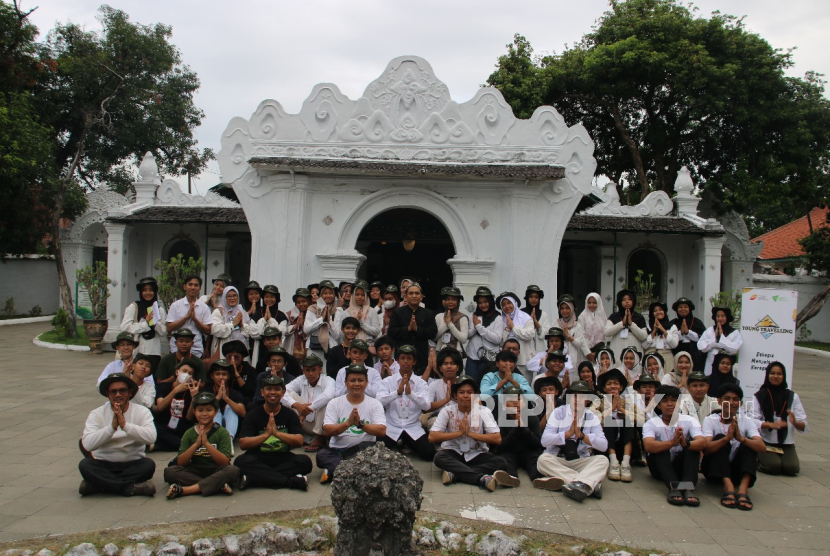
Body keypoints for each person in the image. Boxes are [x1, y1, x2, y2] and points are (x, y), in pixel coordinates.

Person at [79, 373, 157, 496]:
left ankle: (99, 486)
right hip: (104, 464)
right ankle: (130, 488)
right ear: (107, 394)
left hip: (133, 463)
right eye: (113, 392)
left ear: (130, 392)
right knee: (85, 465)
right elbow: (87, 445)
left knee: (148, 465)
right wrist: (111, 428)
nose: (118, 395)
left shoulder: (142, 411)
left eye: (122, 391)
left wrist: (125, 426)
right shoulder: (96, 414)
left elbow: (151, 438)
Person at [429, 375, 506, 492]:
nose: (465, 396)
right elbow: (432, 437)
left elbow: (497, 439)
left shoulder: (484, 411)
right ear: (455, 395)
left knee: (501, 462)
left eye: (469, 392)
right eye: (461, 392)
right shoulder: (447, 411)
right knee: (439, 457)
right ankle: (481, 478)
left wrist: (470, 433)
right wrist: (459, 433)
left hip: (477, 452)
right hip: (454, 452)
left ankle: (455, 473)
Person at [235, 375, 312, 491]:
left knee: (305, 462)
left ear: (283, 393)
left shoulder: (290, 414)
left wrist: (277, 433)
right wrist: (265, 435)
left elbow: (299, 441)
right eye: (269, 389)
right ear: (262, 392)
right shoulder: (253, 414)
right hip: (258, 457)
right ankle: (290, 482)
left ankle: (254, 479)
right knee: (239, 462)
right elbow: (243, 443)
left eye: (277, 389)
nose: (273, 393)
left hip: (283, 458)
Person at [536, 380, 609, 501]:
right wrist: (567, 434)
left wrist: (581, 436)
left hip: (581, 460)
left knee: (603, 460)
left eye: (582, 396)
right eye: (574, 396)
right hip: (559, 459)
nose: (577, 399)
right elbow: (544, 441)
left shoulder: (592, 417)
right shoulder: (558, 413)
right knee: (542, 460)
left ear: (588, 400)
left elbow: (603, 446)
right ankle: (588, 483)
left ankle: (569, 481)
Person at [317, 364, 387, 483]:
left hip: (364, 450)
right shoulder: (334, 403)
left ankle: (336, 470)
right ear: (345, 383)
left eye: (360, 380)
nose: (356, 384)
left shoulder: (375, 404)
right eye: (352, 380)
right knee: (321, 455)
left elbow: (382, 431)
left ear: (366, 382)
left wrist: (360, 424)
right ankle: (354, 471)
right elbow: (327, 431)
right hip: (338, 450)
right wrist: (349, 423)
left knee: (378, 456)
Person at [702, 383, 766, 511]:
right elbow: (706, 449)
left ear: (740, 404)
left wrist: (741, 438)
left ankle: (743, 488)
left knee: (749, 444)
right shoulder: (710, 420)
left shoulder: (746, 420)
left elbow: (762, 447)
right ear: (719, 401)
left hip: (736, 471)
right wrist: (727, 438)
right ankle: (728, 486)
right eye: (727, 398)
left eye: (735, 399)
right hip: (714, 471)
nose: (731, 402)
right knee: (720, 438)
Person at [164, 392, 240, 499]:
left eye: (209, 410)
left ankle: (187, 490)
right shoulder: (189, 433)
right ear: (194, 412)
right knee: (170, 472)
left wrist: (206, 444)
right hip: (195, 469)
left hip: (216, 469)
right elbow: (181, 462)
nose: (204, 414)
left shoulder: (222, 432)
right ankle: (216, 485)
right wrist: (196, 445)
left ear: (215, 412)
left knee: (233, 470)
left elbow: (225, 462)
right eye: (200, 410)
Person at [642, 385, 706, 506]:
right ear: (658, 405)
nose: (670, 404)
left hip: (681, 468)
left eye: (674, 400)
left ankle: (688, 488)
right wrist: (672, 443)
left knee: (692, 448)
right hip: (659, 469)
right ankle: (674, 488)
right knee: (660, 448)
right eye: (665, 401)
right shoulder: (651, 423)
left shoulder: (689, 420)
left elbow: (702, 442)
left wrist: (685, 444)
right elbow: (648, 446)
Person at [748, 361, 808, 476]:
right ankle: (756, 459)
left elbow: (803, 424)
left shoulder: (792, 397)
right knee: (773, 466)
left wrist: (795, 422)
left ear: (784, 376)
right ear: (767, 375)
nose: (775, 376)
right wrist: (768, 425)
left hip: (786, 442)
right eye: (772, 373)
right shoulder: (760, 396)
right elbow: (751, 421)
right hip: (765, 441)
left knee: (792, 469)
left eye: (779, 374)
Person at [377, 345, 435, 460]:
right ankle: (401, 442)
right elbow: (378, 401)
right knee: (378, 454)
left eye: (409, 358)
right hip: (391, 426)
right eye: (402, 358)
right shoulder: (388, 381)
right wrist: (397, 393)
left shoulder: (421, 383)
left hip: (412, 426)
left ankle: (406, 442)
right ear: (397, 360)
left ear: (414, 362)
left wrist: (410, 394)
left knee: (429, 454)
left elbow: (427, 406)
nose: (406, 361)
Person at [492, 384, 544, 487]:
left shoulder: (532, 418)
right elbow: (501, 446)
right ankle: (510, 478)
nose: (516, 403)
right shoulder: (501, 419)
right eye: (511, 400)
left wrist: (523, 429)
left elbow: (538, 443)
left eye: (519, 399)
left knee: (535, 459)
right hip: (510, 451)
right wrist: (516, 429)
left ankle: (539, 479)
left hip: (529, 451)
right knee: (504, 459)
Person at [282, 353, 336, 452]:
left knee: (327, 401)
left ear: (320, 370)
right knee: (291, 395)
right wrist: (297, 405)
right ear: (303, 371)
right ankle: (294, 435)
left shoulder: (328, 380)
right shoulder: (300, 379)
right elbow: (282, 392)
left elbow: (328, 395)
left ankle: (319, 438)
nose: (311, 373)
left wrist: (305, 412)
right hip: (301, 423)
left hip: (319, 424)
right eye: (308, 370)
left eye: (314, 370)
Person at [594, 369, 636, 483]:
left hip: (623, 444)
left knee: (627, 420)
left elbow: (641, 418)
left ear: (621, 387)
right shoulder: (598, 402)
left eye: (616, 383)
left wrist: (621, 409)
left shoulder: (627, 401)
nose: (613, 386)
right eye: (609, 384)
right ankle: (613, 463)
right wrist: (612, 408)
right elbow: (594, 419)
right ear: (604, 388)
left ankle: (626, 464)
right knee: (609, 419)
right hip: (605, 447)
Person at [154, 360, 201, 451]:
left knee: (192, 435)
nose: (186, 374)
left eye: (190, 373)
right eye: (184, 371)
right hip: (164, 426)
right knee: (155, 429)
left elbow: (189, 417)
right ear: (177, 372)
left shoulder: (192, 390)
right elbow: (160, 407)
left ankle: (161, 445)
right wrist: (175, 391)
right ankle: (182, 446)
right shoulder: (163, 386)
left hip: (182, 427)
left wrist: (194, 397)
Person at [388, 283, 436, 374]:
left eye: (417, 293)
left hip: (421, 357)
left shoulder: (428, 313)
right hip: (402, 357)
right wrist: (408, 329)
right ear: (405, 296)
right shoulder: (397, 312)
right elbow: (391, 332)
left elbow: (433, 332)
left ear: (421, 297)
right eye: (411, 293)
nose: (414, 296)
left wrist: (417, 329)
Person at [120, 277, 167, 370]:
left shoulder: (159, 309)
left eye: (151, 290)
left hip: (154, 351)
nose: (148, 293)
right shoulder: (134, 307)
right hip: (137, 351)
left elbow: (164, 332)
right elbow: (124, 328)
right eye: (145, 290)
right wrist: (146, 324)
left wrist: (154, 323)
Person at [166, 275, 212, 357]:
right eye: (190, 284)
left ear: (200, 288)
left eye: (196, 285)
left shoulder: (204, 307)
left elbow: (208, 330)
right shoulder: (176, 305)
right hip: (176, 349)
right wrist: (186, 317)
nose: (193, 287)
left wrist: (195, 319)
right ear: (184, 286)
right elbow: (169, 327)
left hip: (196, 349)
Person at [464, 287, 504, 382]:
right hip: (472, 358)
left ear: (490, 301)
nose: (483, 305)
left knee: (485, 387)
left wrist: (479, 328)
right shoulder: (473, 315)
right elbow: (467, 336)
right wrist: (475, 328)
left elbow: (497, 339)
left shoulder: (498, 318)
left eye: (485, 302)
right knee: (470, 384)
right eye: (480, 302)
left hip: (488, 360)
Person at [206, 359, 247, 449]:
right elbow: (203, 412)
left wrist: (226, 398)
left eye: (224, 374)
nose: (221, 377)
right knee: (214, 409)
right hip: (212, 427)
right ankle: (217, 440)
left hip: (230, 427)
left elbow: (243, 412)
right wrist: (217, 398)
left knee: (230, 407)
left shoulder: (234, 393)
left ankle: (228, 441)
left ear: (228, 376)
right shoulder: (206, 392)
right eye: (217, 374)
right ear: (212, 376)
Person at [496, 292, 535, 378]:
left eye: (509, 303)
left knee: (523, 387)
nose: (507, 306)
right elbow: (501, 342)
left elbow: (530, 334)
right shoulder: (501, 320)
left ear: (514, 303)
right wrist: (507, 329)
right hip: (507, 362)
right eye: (504, 304)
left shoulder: (526, 318)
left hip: (523, 361)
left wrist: (513, 327)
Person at [210, 286, 258, 356]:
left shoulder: (242, 311)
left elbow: (250, 332)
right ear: (224, 298)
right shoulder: (219, 311)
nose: (232, 298)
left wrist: (242, 326)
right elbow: (214, 329)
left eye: (234, 295)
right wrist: (232, 325)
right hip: (224, 350)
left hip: (241, 350)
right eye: (229, 296)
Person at [334, 280, 381, 350]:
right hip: (350, 348)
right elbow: (341, 334)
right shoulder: (346, 313)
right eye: (357, 294)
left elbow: (376, 331)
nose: (360, 297)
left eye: (362, 295)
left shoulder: (372, 311)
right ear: (353, 296)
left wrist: (361, 323)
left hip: (368, 348)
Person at [698, 306, 743, 376]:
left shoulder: (734, 332)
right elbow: (701, 346)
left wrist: (721, 337)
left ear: (727, 317)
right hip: (711, 363)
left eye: (723, 316)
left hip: (726, 364)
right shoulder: (710, 330)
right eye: (718, 316)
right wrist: (715, 339)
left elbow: (734, 349)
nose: (720, 318)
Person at [424, 348, 462, 429]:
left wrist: (456, 399)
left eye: (452, 363)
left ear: (458, 367)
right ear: (440, 368)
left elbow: (477, 406)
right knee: (434, 422)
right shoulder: (434, 385)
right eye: (445, 364)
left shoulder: (466, 382)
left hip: (461, 417)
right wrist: (446, 400)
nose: (449, 366)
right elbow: (426, 408)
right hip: (438, 418)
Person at [604, 289, 648, 358]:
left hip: (634, 350)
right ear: (620, 302)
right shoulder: (614, 316)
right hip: (617, 349)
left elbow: (643, 336)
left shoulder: (639, 317)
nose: (627, 302)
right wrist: (622, 324)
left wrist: (631, 324)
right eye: (624, 300)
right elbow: (607, 332)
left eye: (629, 299)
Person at [304, 280, 343, 358]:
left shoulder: (338, 311)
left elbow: (337, 335)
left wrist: (329, 321)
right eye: (325, 293)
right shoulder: (312, 309)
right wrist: (321, 319)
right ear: (320, 295)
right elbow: (306, 329)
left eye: (330, 293)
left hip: (331, 348)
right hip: (314, 347)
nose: (328, 296)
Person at [642, 301, 679, 375]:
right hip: (650, 357)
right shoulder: (648, 327)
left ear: (664, 312)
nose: (658, 312)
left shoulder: (672, 327)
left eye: (660, 310)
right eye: (655, 311)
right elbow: (644, 345)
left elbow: (674, 344)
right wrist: (654, 331)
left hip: (666, 356)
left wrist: (663, 330)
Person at [669, 297, 706, 370]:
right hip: (677, 354)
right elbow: (669, 339)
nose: (683, 309)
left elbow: (703, 338)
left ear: (690, 309)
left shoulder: (697, 322)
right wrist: (681, 333)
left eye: (685, 307)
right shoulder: (672, 323)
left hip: (695, 356)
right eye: (680, 307)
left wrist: (688, 332)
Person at [434, 287, 469, 353]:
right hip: (440, 351)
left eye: (454, 299)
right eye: (448, 299)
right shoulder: (439, 316)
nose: (450, 302)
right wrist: (446, 325)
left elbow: (464, 339)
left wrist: (450, 324)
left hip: (456, 352)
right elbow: (434, 337)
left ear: (458, 301)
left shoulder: (462, 318)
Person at [556, 294, 589, 363]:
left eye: (568, 308)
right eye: (562, 308)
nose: (565, 311)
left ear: (572, 308)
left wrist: (568, 336)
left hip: (574, 360)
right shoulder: (556, 323)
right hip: (558, 360)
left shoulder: (577, 325)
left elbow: (579, 344)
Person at [283, 288, 312, 361]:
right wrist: (295, 326)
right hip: (292, 347)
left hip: (308, 347)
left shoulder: (313, 314)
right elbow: (284, 331)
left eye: (304, 301)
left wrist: (303, 324)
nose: (301, 304)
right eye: (298, 302)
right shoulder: (289, 315)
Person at [522, 285, 551, 353]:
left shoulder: (543, 314)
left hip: (539, 351)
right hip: (524, 351)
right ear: (527, 298)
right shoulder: (521, 314)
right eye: (531, 297)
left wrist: (536, 322)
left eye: (536, 297)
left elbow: (546, 334)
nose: (534, 299)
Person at [578, 293, 607, 361]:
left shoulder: (603, 316)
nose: (591, 305)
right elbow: (581, 335)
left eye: (594, 303)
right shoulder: (582, 317)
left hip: (600, 351)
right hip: (585, 352)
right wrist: (588, 353)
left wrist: (602, 350)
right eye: (589, 302)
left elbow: (604, 335)